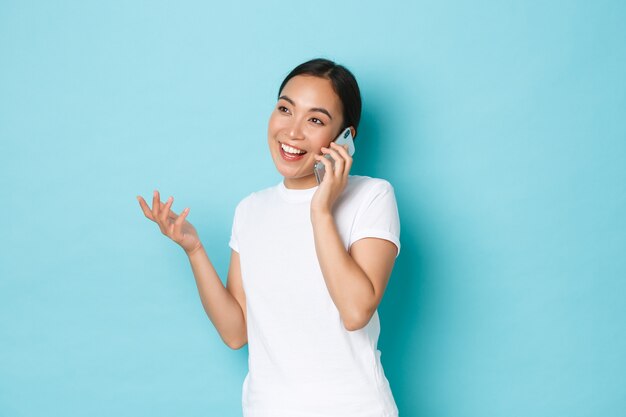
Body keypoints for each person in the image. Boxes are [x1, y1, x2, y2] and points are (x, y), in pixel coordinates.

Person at [137, 58, 401, 417]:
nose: (292, 132)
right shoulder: (251, 209)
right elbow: (236, 333)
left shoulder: (372, 197)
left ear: (344, 137)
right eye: (285, 109)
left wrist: (321, 210)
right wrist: (194, 249)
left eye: (316, 120)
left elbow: (356, 311)